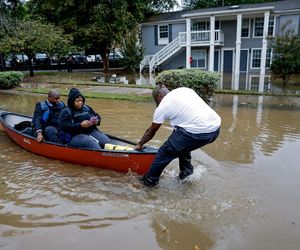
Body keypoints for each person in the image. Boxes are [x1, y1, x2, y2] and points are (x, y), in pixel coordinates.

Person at [135, 85, 221, 187]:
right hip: (215, 129)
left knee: (164, 152)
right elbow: (185, 121)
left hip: (197, 132)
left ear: (159, 95)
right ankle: (186, 175)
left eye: (156, 101)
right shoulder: (184, 90)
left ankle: (149, 182)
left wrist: (140, 144)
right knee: (181, 146)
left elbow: (151, 131)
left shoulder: (163, 106)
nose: (157, 104)